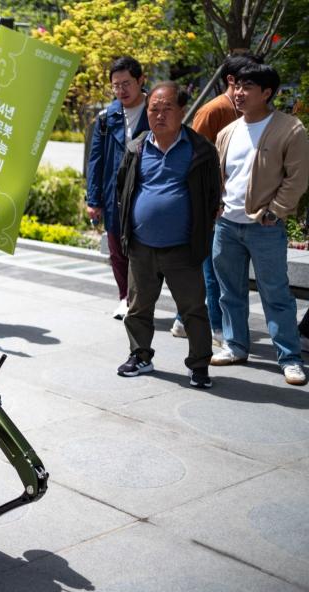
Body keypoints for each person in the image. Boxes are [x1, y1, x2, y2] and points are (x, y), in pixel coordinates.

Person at [115, 82, 222, 388]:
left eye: (167, 109)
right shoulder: (137, 147)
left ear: (182, 112)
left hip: (182, 248)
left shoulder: (200, 149)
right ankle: (140, 355)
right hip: (141, 245)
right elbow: (123, 187)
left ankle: (199, 364)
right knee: (137, 307)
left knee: (193, 310)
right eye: (154, 109)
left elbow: (212, 193)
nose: (159, 115)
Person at [210, 63, 309, 386]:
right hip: (227, 224)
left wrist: (275, 211)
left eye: (247, 87)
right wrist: (216, 206)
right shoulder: (228, 131)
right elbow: (218, 175)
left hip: (264, 226)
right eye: (237, 86)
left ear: (267, 93)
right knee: (229, 291)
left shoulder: (290, 129)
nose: (238, 93)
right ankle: (235, 345)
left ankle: (290, 358)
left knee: (276, 292)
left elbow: (297, 178)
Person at [174, 54, 262, 345]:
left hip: (235, 205)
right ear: (232, 81)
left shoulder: (252, 113)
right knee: (212, 270)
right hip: (211, 204)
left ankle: (183, 319)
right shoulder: (214, 111)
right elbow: (187, 156)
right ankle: (216, 329)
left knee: (214, 268)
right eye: (247, 81)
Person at [86, 56, 150, 320]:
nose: (121, 90)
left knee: (145, 250)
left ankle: (143, 298)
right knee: (116, 249)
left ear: (141, 81)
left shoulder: (155, 110)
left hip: (146, 191)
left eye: (126, 83)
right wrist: (93, 199)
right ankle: (125, 297)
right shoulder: (107, 117)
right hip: (115, 193)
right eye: (116, 85)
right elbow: (96, 160)